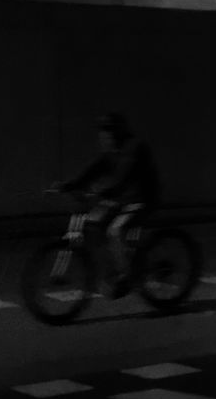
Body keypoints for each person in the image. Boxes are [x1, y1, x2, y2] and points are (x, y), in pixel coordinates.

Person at [54, 112, 161, 297]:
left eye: (108, 131)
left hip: (141, 200)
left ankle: (126, 276)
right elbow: (92, 171)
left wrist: (102, 192)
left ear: (118, 132)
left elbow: (124, 178)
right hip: (122, 200)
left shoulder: (134, 147)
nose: (104, 136)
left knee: (115, 230)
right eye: (102, 132)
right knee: (94, 222)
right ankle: (118, 260)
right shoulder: (111, 152)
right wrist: (69, 185)